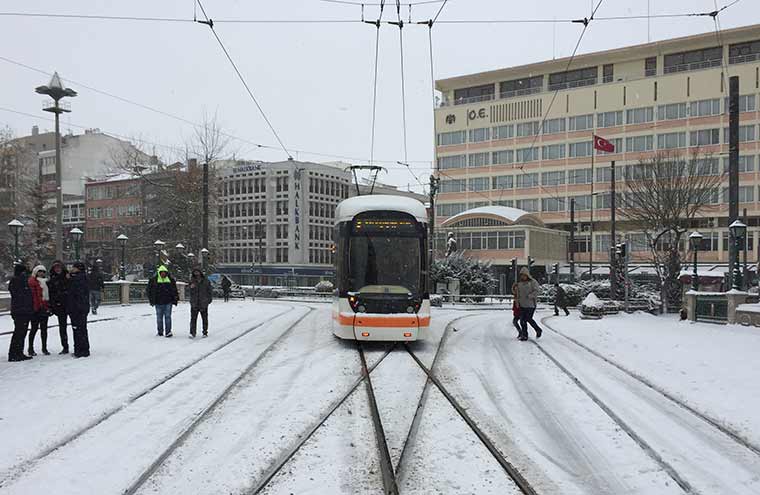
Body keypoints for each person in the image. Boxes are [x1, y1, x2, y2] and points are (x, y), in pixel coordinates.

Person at [8, 263, 33, 362]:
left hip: (21, 310)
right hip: (21, 311)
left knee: (21, 332)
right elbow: (23, 296)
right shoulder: (19, 281)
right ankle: (15, 353)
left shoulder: (16, 281)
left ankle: (17, 352)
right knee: (19, 332)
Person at [66, 261, 90, 358]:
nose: (72, 269)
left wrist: (70, 278)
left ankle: (79, 350)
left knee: (77, 329)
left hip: (76, 308)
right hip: (82, 307)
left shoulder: (76, 279)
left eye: (73, 267)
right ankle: (84, 349)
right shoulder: (84, 278)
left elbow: (74, 293)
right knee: (82, 329)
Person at [148, 265, 179, 337]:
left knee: (167, 317)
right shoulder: (154, 280)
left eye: (164, 273)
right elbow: (149, 290)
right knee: (159, 318)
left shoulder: (170, 280)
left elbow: (174, 290)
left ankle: (168, 332)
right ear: (159, 273)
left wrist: (175, 298)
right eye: (162, 273)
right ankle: (160, 332)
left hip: (168, 302)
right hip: (158, 302)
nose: (163, 274)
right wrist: (152, 300)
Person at [48, 260, 70, 354]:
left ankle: (77, 345)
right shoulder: (52, 279)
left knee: (74, 326)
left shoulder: (67, 277)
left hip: (68, 304)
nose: (57, 269)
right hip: (60, 305)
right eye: (55, 267)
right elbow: (51, 293)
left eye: (59, 267)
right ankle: (65, 346)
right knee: (62, 327)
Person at [28, 265, 50, 356]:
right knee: (34, 329)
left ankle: (44, 347)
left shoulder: (46, 282)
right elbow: (33, 296)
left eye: (43, 271)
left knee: (44, 329)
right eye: (40, 271)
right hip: (36, 308)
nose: (42, 273)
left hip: (44, 308)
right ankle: (30, 348)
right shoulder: (32, 282)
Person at [516, 267, 542, 341]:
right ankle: (524, 335)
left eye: (524, 275)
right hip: (522, 304)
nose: (523, 277)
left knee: (528, 318)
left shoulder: (533, 282)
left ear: (527, 275)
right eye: (521, 275)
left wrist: (530, 296)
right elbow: (517, 293)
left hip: (530, 304)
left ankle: (538, 329)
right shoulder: (519, 283)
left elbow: (537, 291)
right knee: (522, 321)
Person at [188, 268, 213, 338]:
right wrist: (191, 287)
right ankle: (192, 332)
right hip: (194, 302)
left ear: (200, 273)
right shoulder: (192, 281)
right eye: (195, 272)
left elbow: (209, 291)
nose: (197, 274)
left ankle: (205, 332)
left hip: (203, 302)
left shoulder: (206, 281)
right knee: (193, 319)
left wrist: (208, 300)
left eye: (198, 272)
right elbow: (188, 291)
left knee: (204, 318)